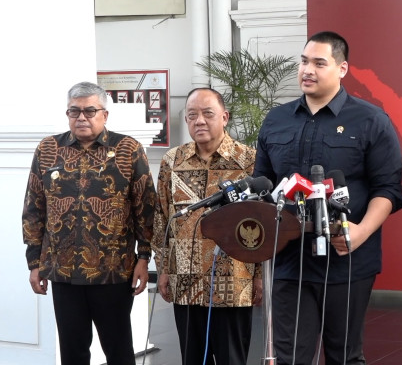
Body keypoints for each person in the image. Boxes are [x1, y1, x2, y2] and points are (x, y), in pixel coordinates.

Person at [254, 30, 402, 365]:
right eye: (304, 61)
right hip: (289, 260)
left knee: (344, 356)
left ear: (342, 68)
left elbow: (388, 189)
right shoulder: (276, 120)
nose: (307, 70)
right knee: (289, 357)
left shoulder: (371, 120)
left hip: (347, 259)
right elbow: (263, 186)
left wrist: (361, 232)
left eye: (319, 63)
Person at [22, 81, 156, 365]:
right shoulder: (48, 149)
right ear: (67, 114)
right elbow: (34, 208)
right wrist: (34, 262)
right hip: (62, 271)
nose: (81, 117)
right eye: (74, 111)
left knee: (119, 351)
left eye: (89, 111)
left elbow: (145, 209)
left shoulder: (128, 149)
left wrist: (144, 257)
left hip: (114, 271)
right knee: (72, 352)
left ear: (104, 115)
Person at [151, 87, 262, 365]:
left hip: (234, 281)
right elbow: (161, 219)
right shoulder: (172, 161)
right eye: (192, 115)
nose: (199, 120)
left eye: (207, 113)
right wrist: (163, 269)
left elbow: (261, 223)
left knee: (231, 359)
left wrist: (260, 276)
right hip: (185, 280)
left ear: (224, 117)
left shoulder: (249, 161)